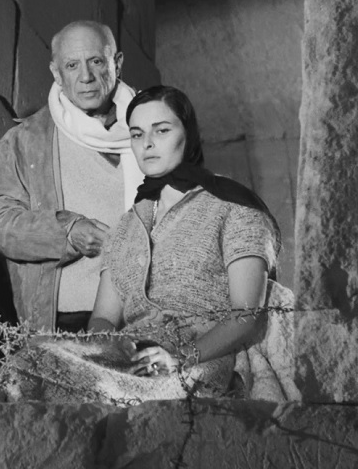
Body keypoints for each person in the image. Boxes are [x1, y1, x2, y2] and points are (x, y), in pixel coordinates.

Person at [88, 85, 281, 397]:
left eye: (161, 130)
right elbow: (102, 317)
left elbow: (246, 314)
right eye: (137, 134)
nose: (147, 143)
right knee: (31, 362)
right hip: (131, 357)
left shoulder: (234, 206)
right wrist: (109, 350)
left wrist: (180, 358)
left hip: (199, 358)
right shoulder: (125, 226)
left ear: (188, 134)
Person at [0, 20, 144, 333]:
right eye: (72, 65)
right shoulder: (25, 141)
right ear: (56, 73)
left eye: (96, 61)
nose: (86, 76)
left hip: (142, 315)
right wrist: (67, 233)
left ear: (117, 63)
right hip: (61, 321)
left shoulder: (152, 129)